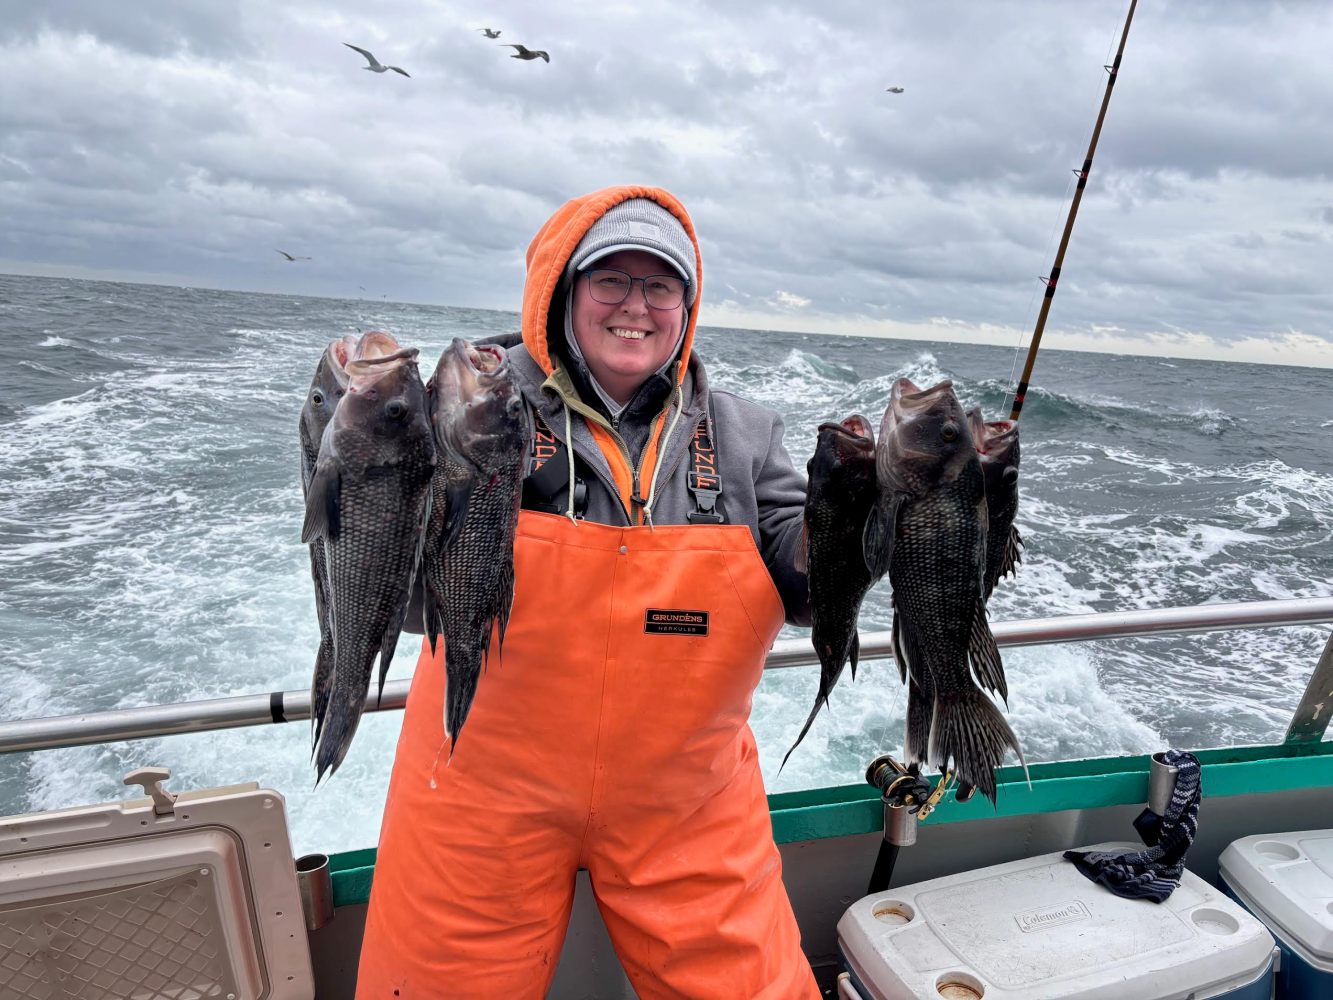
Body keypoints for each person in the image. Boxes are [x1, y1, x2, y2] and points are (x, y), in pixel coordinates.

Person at [356, 186, 819, 999]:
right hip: (474, 784)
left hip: (690, 799)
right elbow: (404, 593)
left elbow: (811, 586)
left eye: (660, 286)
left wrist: (883, 507)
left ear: (687, 303)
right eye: (610, 280)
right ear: (561, 291)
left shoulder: (747, 436)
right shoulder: (466, 409)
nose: (634, 306)